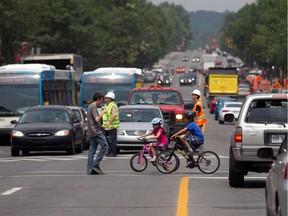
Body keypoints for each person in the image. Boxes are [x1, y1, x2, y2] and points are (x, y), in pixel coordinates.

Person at [87, 93, 108, 175]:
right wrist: (103, 112)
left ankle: (90, 170)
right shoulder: (93, 107)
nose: (102, 102)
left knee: (92, 151)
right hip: (96, 131)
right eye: (101, 100)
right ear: (98, 99)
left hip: (91, 131)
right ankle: (95, 165)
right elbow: (97, 119)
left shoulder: (90, 106)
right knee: (105, 146)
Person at [102, 92, 119, 157]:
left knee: (112, 140)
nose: (105, 98)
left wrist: (109, 122)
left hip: (112, 126)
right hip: (106, 126)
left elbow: (114, 115)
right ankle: (109, 151)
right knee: (106, 139)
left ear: (110, 99)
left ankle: (113, 152)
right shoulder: (106, 105)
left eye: (107, 97)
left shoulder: (113, 105)